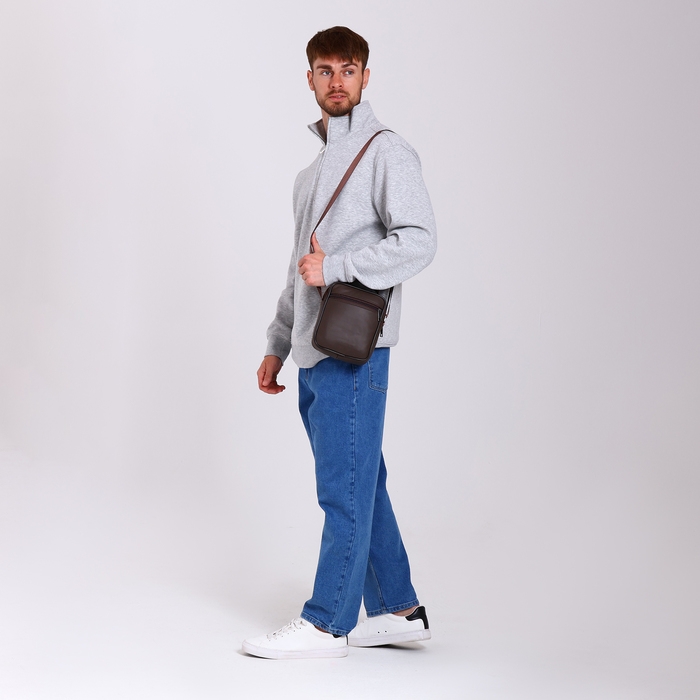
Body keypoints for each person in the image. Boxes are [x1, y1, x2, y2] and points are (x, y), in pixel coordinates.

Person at [242, 26, 437, 660]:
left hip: (354, 348)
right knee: (361, 481)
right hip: (310, 349)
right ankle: (399, 609)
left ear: (365, 77)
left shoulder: (387, 151)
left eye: (348, 70)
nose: (337, 81)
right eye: (325, 70)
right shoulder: (308, 175)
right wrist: (277, 341)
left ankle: (328, 622)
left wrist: (339, 267)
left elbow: (419, 240)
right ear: (310, 79)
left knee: (343, 488)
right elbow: (297, 268)